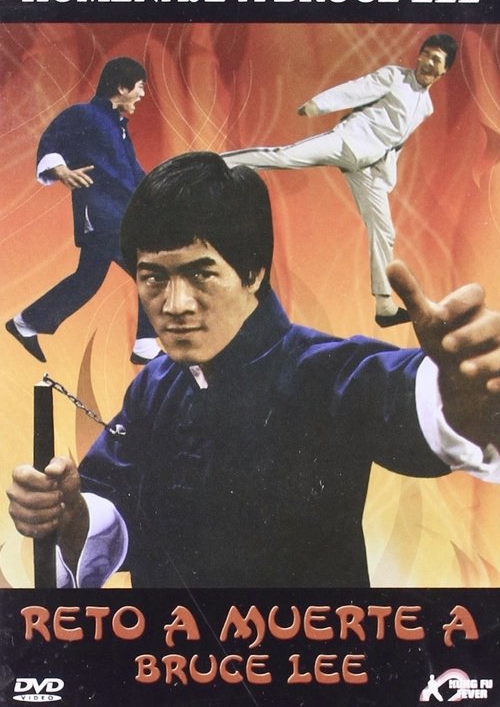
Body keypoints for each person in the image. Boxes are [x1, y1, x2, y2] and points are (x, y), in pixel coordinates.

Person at [7, 152, 500, 588]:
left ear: (253, 272)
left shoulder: (321, 369)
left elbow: (406, 392)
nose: (174, 305)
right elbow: (111, 505)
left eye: (200, 274)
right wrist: (66, 513)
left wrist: (464, 400)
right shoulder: (153, 388)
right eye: (153, 278)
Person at [222, 34, 458, 328]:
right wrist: (319, 104)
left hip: (369, 168)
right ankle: (220, 161)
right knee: (285, 156)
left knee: (384, 231)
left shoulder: (427, 107)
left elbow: (396, 140)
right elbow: (357, 89)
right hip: (347, 143)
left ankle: (384, 307)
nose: (428, 62)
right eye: (426, 54)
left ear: (444, 70)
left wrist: (386, 171)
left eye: (436, 59)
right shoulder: (394, 77)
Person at [5, 56, 161, 365]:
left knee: (87, 280)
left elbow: (135, 174)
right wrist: (61, 170)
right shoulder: (84, 114)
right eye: (140, 87)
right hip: (102, 214)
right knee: (152, 268)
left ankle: (25, 322)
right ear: (122, 87)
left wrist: (165, 190)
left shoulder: (118, 127)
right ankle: (145, 344)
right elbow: (51, 142)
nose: (143, 94)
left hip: (119, 214)